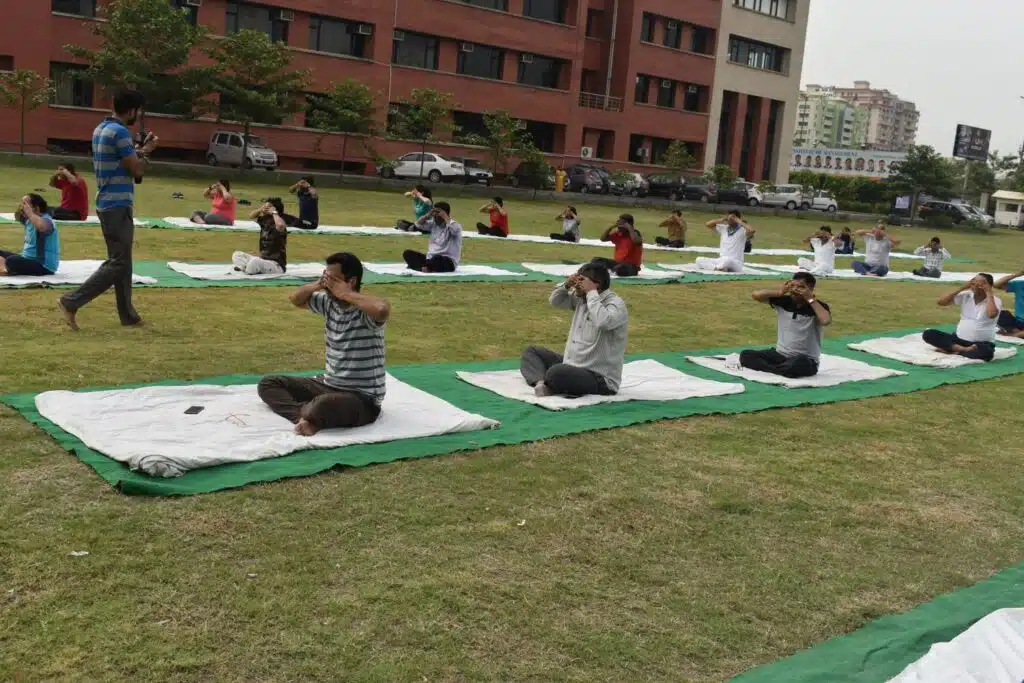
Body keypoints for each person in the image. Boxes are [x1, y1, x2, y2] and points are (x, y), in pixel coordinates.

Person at [257, 252, 389, 436]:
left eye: (333, 279)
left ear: (351, 281)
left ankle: (313, 413)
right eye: (326, 277)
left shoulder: (364, 312)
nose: (328, 284)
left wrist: (346, 294)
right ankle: (303, 416)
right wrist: (317, 284)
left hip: (362, 398)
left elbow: (382, 309)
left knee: (323, 404)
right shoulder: (328, 303)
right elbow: (295, 299)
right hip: (328, 384)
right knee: (268, 384)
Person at [59, 90, 158, 331]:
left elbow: (121, 161)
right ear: (132, 110)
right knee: (119, 262)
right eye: (138, 112)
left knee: (123, 261)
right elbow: (136, 169)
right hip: (117, 204)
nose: (139, 116)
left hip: (106, 202)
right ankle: (71, 301)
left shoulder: (101, 129)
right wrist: (148, 150)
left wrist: (138, 149)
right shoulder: (121, 132)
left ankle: (128, 315)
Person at [520, 262, 628, 398]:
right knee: (532, 352)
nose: (576, 284)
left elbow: (603, 322)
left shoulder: (615, 304)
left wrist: (591, 292)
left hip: (600, 378)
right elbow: (555, 301)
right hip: (573, 365)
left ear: (596, 284)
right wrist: (566, 285)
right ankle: (541, 383)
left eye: (581, 280)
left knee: (556, 373)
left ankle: (550, 381)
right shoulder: (582, 299)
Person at [739, 272, 832, 378]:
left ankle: (778, 369)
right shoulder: (784, 301)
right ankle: (779, 370)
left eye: (800, 287)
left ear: (810, 289)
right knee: (746, 355)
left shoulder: (818, 306)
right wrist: (779, 292)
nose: (795, 290)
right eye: (792, 286)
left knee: (798, 364)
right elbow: (756, 295)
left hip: (805, 359)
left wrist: (810, 299)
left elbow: (825, 320)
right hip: (780, 355)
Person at [922, 275, 1001, 361]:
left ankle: (953, 350)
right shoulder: (966, 295)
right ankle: (962, 349)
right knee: (928, 334)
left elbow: (991, 314)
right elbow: (941, 302)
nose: (974, 286)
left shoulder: (995, 300)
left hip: (981, 343)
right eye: (973, 283)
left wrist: (989, 292)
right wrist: (962, 288)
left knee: (987, 353)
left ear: (988, 286)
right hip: (958, 339)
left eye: (979, 284)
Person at [0, 194, 60, 276]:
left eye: (25, 205)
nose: (23, 207)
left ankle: (5, 270)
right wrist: (22, 212)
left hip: (43, 265)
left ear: (37, 208)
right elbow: (18, 217)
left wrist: (30, 213)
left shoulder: (47, 220)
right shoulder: (29, 220)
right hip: (27, 259)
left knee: (11, 261)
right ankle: (5, 268)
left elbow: (42, 227)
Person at [402, 201, 462, 273]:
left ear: (445, 214)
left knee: (437, 258)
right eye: (434, 212)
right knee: (408, 253)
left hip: (447, 261)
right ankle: (425, 268)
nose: (435, 215)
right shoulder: (433, 224)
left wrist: (446, 217)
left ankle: (419, 267)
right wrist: (427, 215)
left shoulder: (455, 225)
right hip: (430, 259)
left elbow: (454, 231)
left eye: (437, 212)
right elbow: (418, 224)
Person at [232, 198, 288, 275]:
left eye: (267, 207)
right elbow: (251, 216)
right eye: (264, 206)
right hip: (262, 260)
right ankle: (245, 268)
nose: (265, 208)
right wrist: (260, 209)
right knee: (237, 255)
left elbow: (280, 226)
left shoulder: (279, 221)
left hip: (276, 265)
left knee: (254, 262)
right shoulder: (264, 220)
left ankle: (247, 269)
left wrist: (274, 212)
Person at [994, 270, 1024, 338]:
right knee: (1000, 314)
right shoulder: (1020, 284)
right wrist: (1016, 275)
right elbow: (996, 284)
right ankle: (1019, 333)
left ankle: (1014, 334)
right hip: (1018, 321)